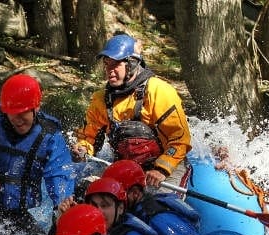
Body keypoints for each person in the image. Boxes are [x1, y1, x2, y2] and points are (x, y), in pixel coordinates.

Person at [0, 73, 75, 227]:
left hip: (19, 213)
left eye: (23, 112)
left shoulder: (50, 137)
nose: (17, 119)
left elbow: (60, 174)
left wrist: (62, 205)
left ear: (36, 107)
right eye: (13, 113)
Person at [72, 33, 192, 187]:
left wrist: (161, 170)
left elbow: (179, 139)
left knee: (157, 206)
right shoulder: (101, 99)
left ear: (133, 63)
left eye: (116, 64)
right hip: (128, 168)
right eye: (107, 64)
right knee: (86, 191)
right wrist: (83, 148)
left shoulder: (159, 91)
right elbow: (89, 137)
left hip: (169, 167)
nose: (110, 70)